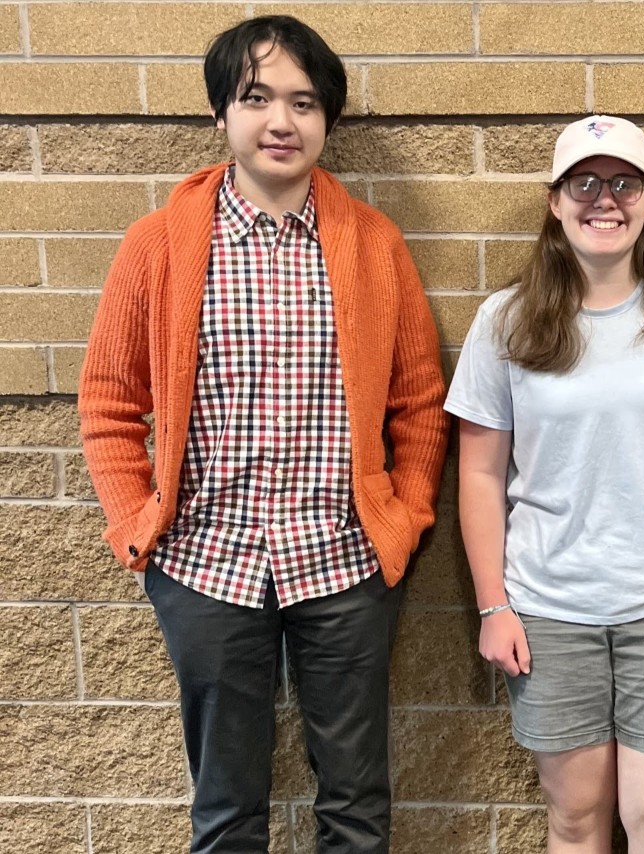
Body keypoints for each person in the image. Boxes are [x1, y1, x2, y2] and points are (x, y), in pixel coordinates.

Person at [78, 16, 448, 853]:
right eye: (257, 98)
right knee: (225, 811)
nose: (281, 121)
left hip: (344, 561)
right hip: (207, 564)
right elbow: (107, 400)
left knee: (355, 806)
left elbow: (419, 402)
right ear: (223, 114)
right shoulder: (159, 246)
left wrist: (406, 511)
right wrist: (137, 521)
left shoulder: (373, 246)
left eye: (304, 102)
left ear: (326, 121)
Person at [446, 115, 644, 854]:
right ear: (555, 201)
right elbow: (481, 474)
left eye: (624, 182)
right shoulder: (507, 320)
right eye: (584, 183)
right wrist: (493, 603)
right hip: (549, 606)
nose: (604, 199)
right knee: (577, 821)